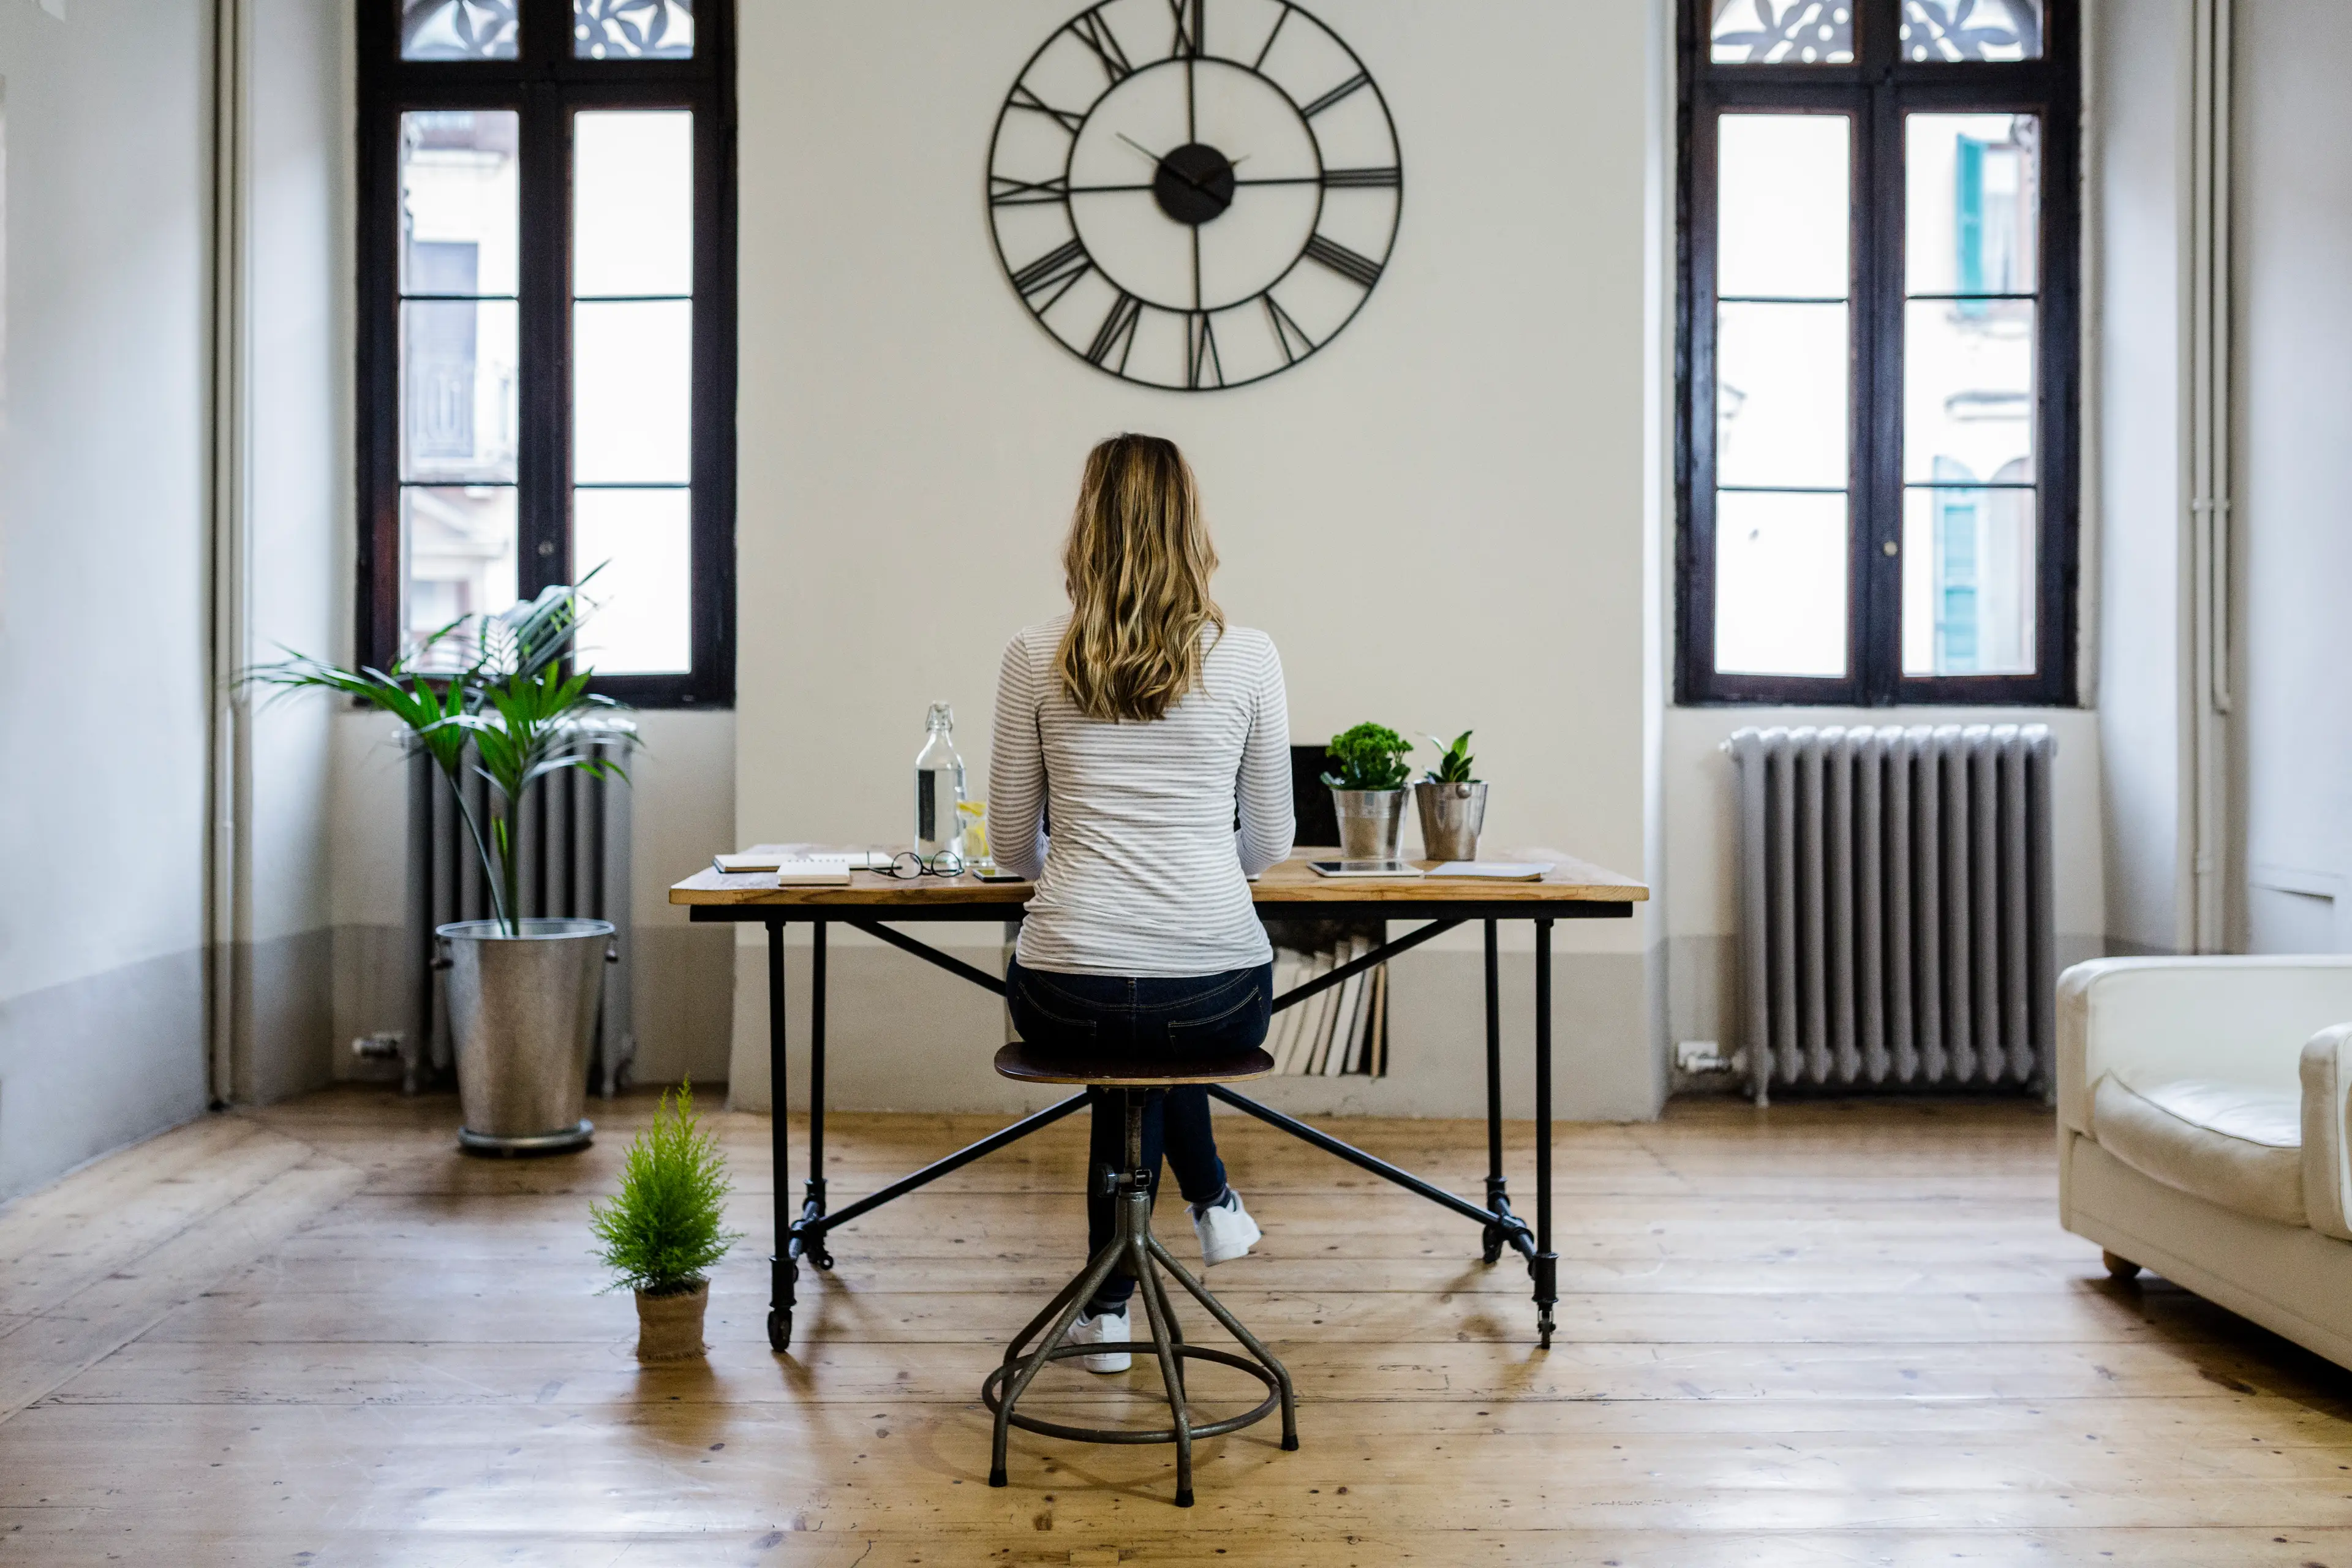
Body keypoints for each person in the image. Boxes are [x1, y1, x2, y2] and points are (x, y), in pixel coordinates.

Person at [988, 432, 1294, 1374]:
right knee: (1163, 1029)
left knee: (1127, 1052)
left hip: (1065, 987)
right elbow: (1270, 845)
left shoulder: (1033, 654)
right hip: (1218, 988)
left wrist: (1086, 871)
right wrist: (1192, 870)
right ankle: (1208, 1199)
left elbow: (1009, 845)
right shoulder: (1249, 658)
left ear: (1086, 527)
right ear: (1193, 528)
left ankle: (1111, 1311)